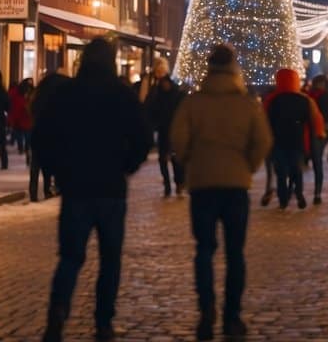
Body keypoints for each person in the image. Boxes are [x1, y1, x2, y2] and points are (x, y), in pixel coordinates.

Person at [34, 38, 152, 342]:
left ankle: (59, 309)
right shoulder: (122, 95)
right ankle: (103, 321)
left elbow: (43, 136)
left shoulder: (66, 94)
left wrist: (58, 170)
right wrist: (126, 166)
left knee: (71, 257)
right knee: (110, 259)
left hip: (76, 187)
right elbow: (142, 137)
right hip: (111, 188)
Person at [171, 44, 272, 341]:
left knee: (204, 249)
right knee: (235, 253)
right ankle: (232, 316)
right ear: (233, 69)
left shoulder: (194, 102)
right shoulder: (246, 104)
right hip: (235, 186)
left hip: (202, 184)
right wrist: (247, 167)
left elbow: (178, 138)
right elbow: (263, 140)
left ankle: (206, 310)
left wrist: (192, 162)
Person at [266, 68, 323, 210]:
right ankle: (299, 194)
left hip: (278, 141)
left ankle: (283, 198)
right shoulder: (304, 100)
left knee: (281, 172)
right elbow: (313, 120)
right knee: (296, 169)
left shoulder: (272, 100)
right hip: (297, 140)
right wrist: (315, 136)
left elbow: (265, 121)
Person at [142, 57, 187, 198]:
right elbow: (150, 108)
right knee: (165, 159)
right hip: (165, 129)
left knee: (173, 159)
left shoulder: (171, 91)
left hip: (170, 129)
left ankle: (177, 184)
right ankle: (170, 185)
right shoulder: (156, 89)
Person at [28, 71, 63, 202]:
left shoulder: (38, 97)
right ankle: (49, 189)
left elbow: (32, 111)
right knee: (52, 161)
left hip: (38, 133)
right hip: (54, 135)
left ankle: (33, 192)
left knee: (36, 164)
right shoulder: (59, 99)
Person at [304, 75, 328, 204]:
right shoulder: (308, 95)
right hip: (307, 131)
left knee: (317, 161)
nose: (318, 85)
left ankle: (317, 193)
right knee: (308, 159)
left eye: (320, 83)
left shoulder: (327, 96)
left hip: (320, 132)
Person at [9, 78, 34, 161]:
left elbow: (13, 106)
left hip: (21, 119)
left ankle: (23, 149)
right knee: (26, 136)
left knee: (21, 135)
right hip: (26, 118)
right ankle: (26, 150)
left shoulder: (17, 94)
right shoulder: (31, 94)